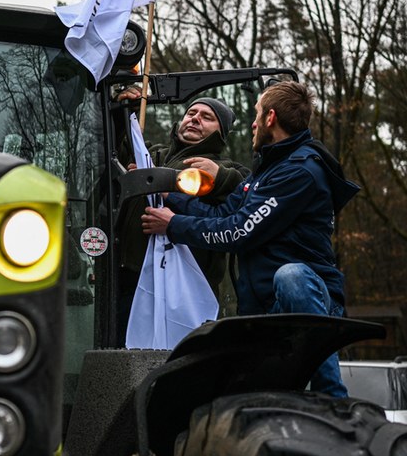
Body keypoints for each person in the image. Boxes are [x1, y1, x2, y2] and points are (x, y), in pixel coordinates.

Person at [140, 80, 359, 397]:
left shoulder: (301, 171)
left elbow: (238, 230)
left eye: (257, 115)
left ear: (270, 119)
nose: (253, 124)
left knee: (292, 275)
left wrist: (173, 225)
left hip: (302, 301)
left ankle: (332, 396)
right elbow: (219, 217)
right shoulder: (266, 172)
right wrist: (171, 193)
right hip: (261, 310)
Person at [116, 91, 249, 343]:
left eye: (207, 117)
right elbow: (111, 148)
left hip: (186, 291)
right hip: (130, 281)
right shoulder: (149, 154)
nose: (195, 118)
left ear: (221, 133)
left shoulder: (229, 170)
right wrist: (124, 109)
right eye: (191, 113)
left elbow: (240, 201)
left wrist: (219, 176)